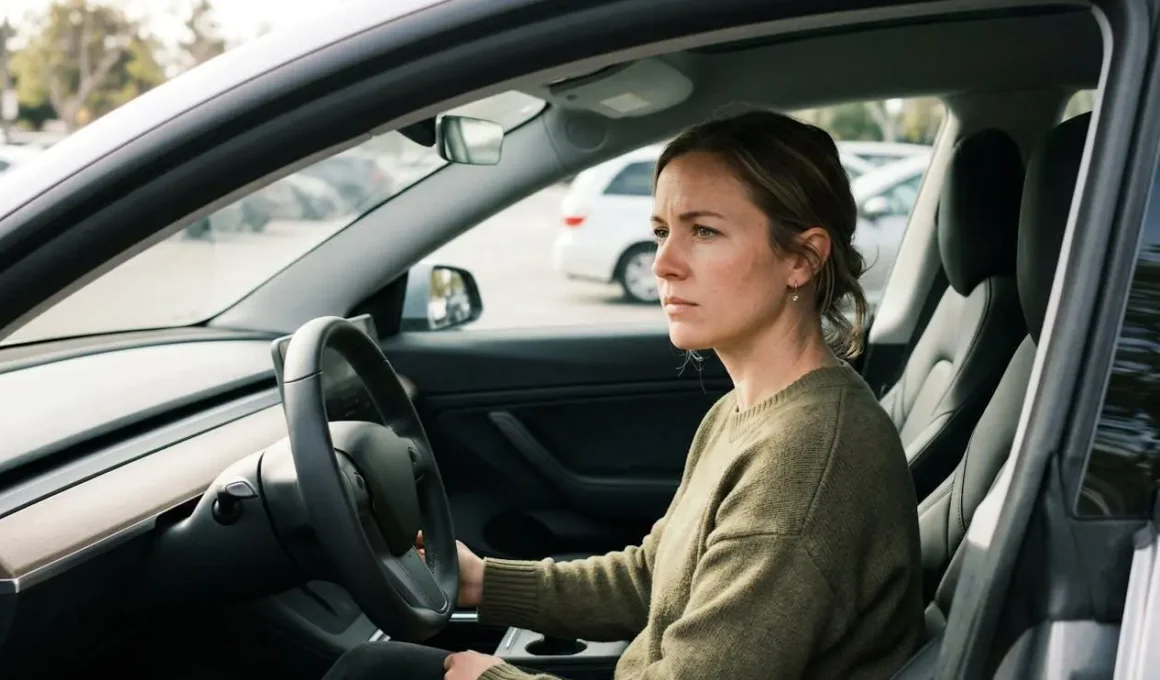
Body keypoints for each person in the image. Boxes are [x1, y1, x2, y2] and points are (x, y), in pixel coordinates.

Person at [322, 110, 924, 680]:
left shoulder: (804, 462)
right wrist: (482, 581)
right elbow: (652, 577)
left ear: (802, 258)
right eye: (662, 232)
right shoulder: (749, 410)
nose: (664, 263)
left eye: (704, 231)